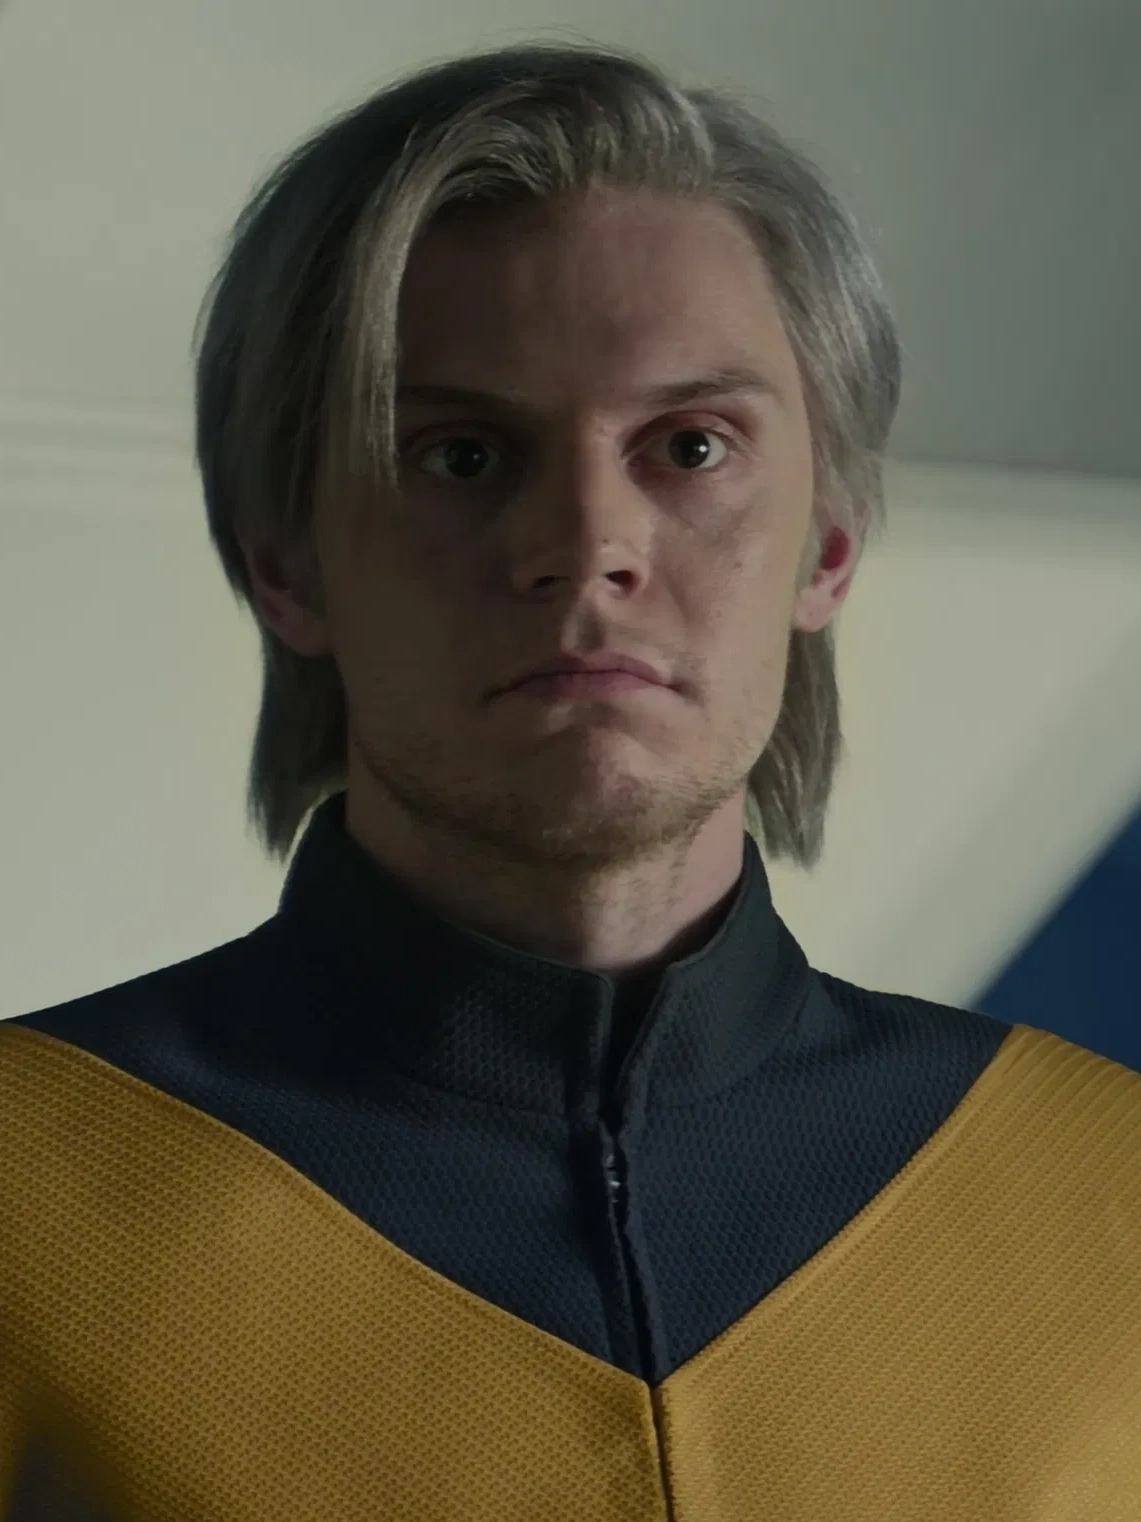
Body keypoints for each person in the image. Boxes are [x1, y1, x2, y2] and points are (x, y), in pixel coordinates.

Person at [2, 41, 1138, 1522]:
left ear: (830, 545)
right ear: (287, 562)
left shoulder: (1110, 1190)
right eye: (463, 456)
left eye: (692, 446)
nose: (590, 543)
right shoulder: (25, 1196)